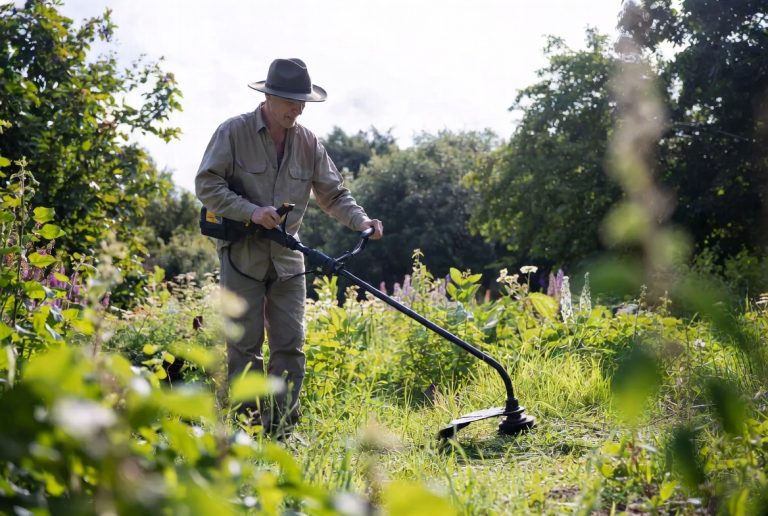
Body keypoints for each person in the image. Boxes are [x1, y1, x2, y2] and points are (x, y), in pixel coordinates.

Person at [195, 58, 383, 436]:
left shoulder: (308, 142)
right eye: (291, 101)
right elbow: (207, 186)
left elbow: (333, 194)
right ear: (269, 97)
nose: (297, 109)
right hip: (242, 255)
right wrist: (251, 211)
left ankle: (281, 432)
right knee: (245, 347)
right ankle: (246, 435)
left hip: (288, 257)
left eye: (302, 102)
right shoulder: (233, 133)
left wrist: (361, 221)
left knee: (290, 347)